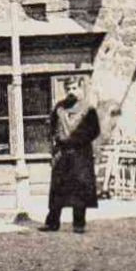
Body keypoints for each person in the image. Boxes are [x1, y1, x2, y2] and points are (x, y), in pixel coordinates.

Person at [42, 91, 100, 233]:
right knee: (57, 188)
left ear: (79, 89)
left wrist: (79, 140)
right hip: (62, 153)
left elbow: (95, 131)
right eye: (68, 87)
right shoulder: (59, 108)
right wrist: (56, 140)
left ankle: (79, 224)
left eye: (74, 87)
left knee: (79, 188)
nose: (71, 91)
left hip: (80, 153)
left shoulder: (88, 109)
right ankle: (52, 223)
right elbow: (51, 127)